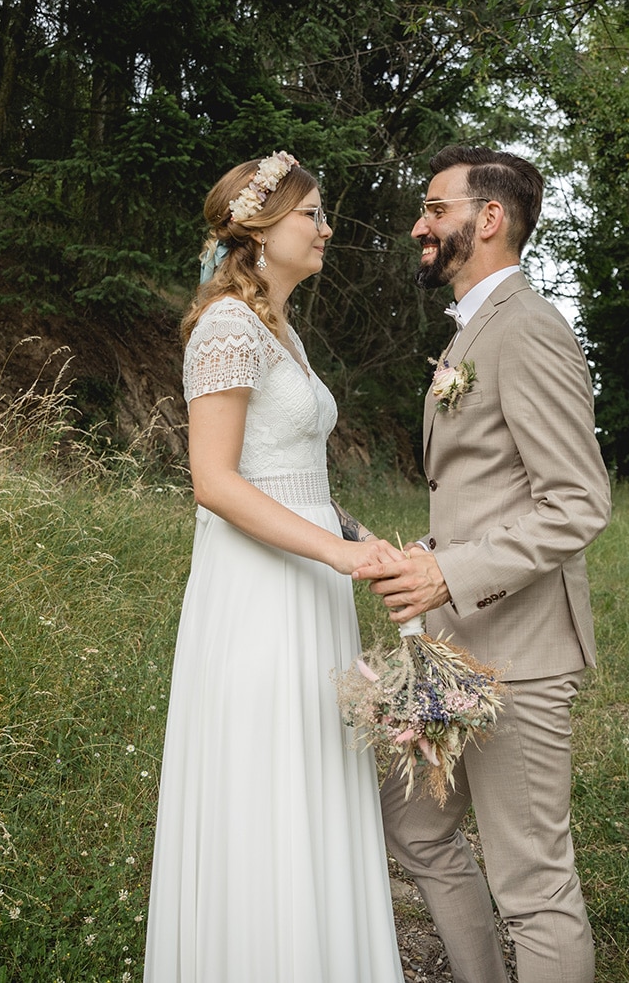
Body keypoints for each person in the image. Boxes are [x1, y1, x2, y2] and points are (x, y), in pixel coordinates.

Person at [143, 152, 407, 983]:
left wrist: (361, 536)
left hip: (309, 585)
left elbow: (287, 473)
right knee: (264, 785)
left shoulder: (283, 330)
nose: (327, 230)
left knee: (313, 781)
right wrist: (334, 549)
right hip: (258, 593)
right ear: (258, 233)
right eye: (312, 215)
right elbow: (215, 481)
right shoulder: (226, 326)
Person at [353, 146, 612, 983]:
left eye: (434, 208)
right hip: (460, 649)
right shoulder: (474, 332)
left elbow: (577, 503)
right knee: (418, 826)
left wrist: (449, 576)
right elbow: (487, 496)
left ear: (488, 218)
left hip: (520, 653)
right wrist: (419, 557)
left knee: (533, 882)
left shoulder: (529, 329)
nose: (419, 224)